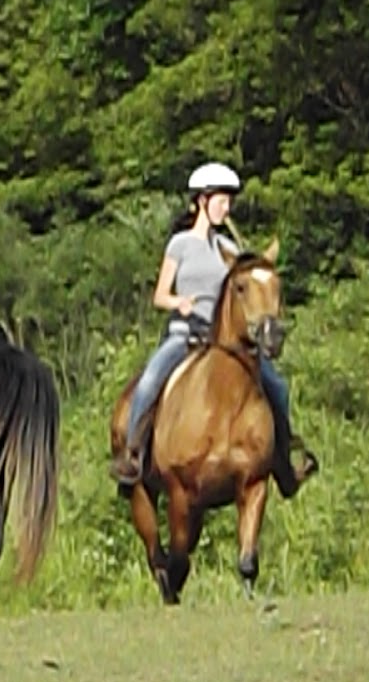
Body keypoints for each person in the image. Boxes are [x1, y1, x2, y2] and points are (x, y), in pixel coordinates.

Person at [109, 161, 317, 495]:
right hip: (185, 335)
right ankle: (133, 455)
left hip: (224, 343)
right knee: (149, 380)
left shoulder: (230, 250)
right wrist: (179, 302)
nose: (227, 207)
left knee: (276, 387)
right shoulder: (180, 244)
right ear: (201, 202)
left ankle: (284, 464)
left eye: (229, 201)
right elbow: (160, 295)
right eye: (221, 200)